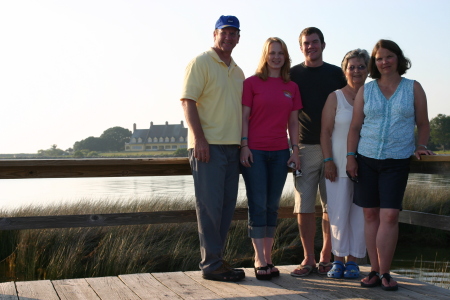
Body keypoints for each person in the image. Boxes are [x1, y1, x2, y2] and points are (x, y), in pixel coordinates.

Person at [346, 40, 435, 291]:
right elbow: (355, 127)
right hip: (366, 158)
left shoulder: (413, 88)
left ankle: (385, 272)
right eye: (379, 58)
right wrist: (350, 157)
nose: (384, 62)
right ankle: (374, 270)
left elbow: (423, 123)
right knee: (370, 214)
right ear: (375, 63)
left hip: (397, 160)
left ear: (398, 58)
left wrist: (421, 145)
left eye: (388, 57)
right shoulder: (367, 90)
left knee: (390, 215)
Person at [180, 15, 245, 282]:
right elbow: (187, 101)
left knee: (226, 207)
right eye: (224, 32)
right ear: (214, 34)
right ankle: (211, 265)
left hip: (233, 148)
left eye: (233, 33)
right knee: (209, 208)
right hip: (209, 148)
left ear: (238, 38)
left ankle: (218, 260)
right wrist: (199, 140)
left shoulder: (238, 71)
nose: (228, 37)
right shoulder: (201, 62)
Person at [240, 37, 302, 280]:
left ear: (286, 57)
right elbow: (244, 118)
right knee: (257, 204)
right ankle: (259, 259)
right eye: (272, 52)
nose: (276, 56)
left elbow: (294, 122)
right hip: (254, 151)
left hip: (279, 153)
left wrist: (295, 150)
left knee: (272, 206)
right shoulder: (251, 83)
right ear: (265, 55)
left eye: (280, 53)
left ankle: (269, 257)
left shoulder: (292, 87)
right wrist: (244, 146)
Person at [289, 27, 346, 277]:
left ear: (323, 44)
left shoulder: (338, 73)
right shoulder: (291, 75)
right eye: (306, 43)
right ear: (300, 47)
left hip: (335, 146)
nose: (310, 46)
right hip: (303, 147)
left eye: (315, 42)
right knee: (304, 206)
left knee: (330, 205)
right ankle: (308, 258)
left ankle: (326, 255)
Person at [320, 49, 369, 279]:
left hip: (366, 166)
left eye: (361, 66)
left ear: (368, 69)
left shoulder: (373, 95)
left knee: (360, 215)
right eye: (352, 67)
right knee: (338, 213)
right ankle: (337, 259)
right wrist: (328, 160)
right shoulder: (335, 97)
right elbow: (325, 132)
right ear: (344, 70)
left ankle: (353, 261)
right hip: (337, 166)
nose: (356, 71)